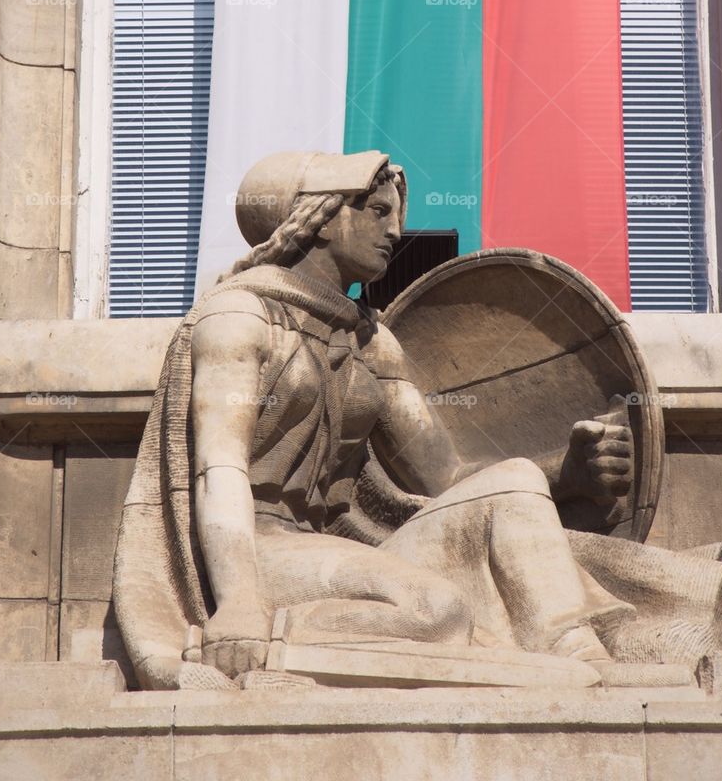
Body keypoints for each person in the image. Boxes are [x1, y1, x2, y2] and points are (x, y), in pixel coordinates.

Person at [117, 150, 668, 691]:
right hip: (255, 550)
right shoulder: (239, 317)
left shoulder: (371, 341)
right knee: (437, 611)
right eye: (378, 212)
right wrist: (239, 604)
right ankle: (283, 639)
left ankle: (578, 652)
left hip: (333, 550)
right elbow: (218, 467)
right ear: (321, 218)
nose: (396, 232)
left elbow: (445, 479)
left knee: (516, 479)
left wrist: (566, 473)